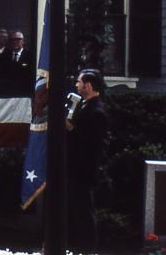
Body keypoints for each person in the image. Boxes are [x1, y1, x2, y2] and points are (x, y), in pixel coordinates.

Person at [66, 69, 109, 253]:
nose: (76, 85)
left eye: (79, 82)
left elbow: (93, 144)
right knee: (76, 210)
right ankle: (78, 247)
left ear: (88, 85)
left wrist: (70, 128)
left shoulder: (97, 111)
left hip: (84, 171)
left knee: (84, 211)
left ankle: (88, 249)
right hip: (75, 168)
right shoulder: (84, 105)